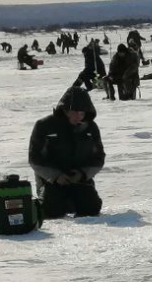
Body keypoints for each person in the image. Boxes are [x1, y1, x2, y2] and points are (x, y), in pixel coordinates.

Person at [28, 86, 106, 219]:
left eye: (82, 113)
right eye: (74, 112)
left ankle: (73, 201)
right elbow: (35, 158)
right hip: (51, 181)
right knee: (51, 212)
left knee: (91, 209)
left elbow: (98, 157)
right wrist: (55, 176)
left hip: (80, 180)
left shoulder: (91, 128)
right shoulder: (44, 125)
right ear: (64, 109)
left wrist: (82, 174)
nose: (78, 116)